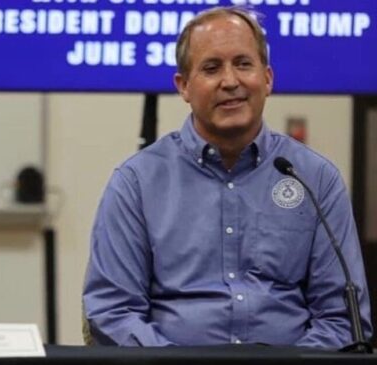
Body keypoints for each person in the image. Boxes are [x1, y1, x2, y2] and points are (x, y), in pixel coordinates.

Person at [83, 6, 372, 348]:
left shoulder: (316, 179)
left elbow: (341, 319)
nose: (230, 81)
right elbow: (113, 313)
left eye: (243, 63)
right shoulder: (136, 183)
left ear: (267, 78)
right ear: (184, 86)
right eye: (211, 68)